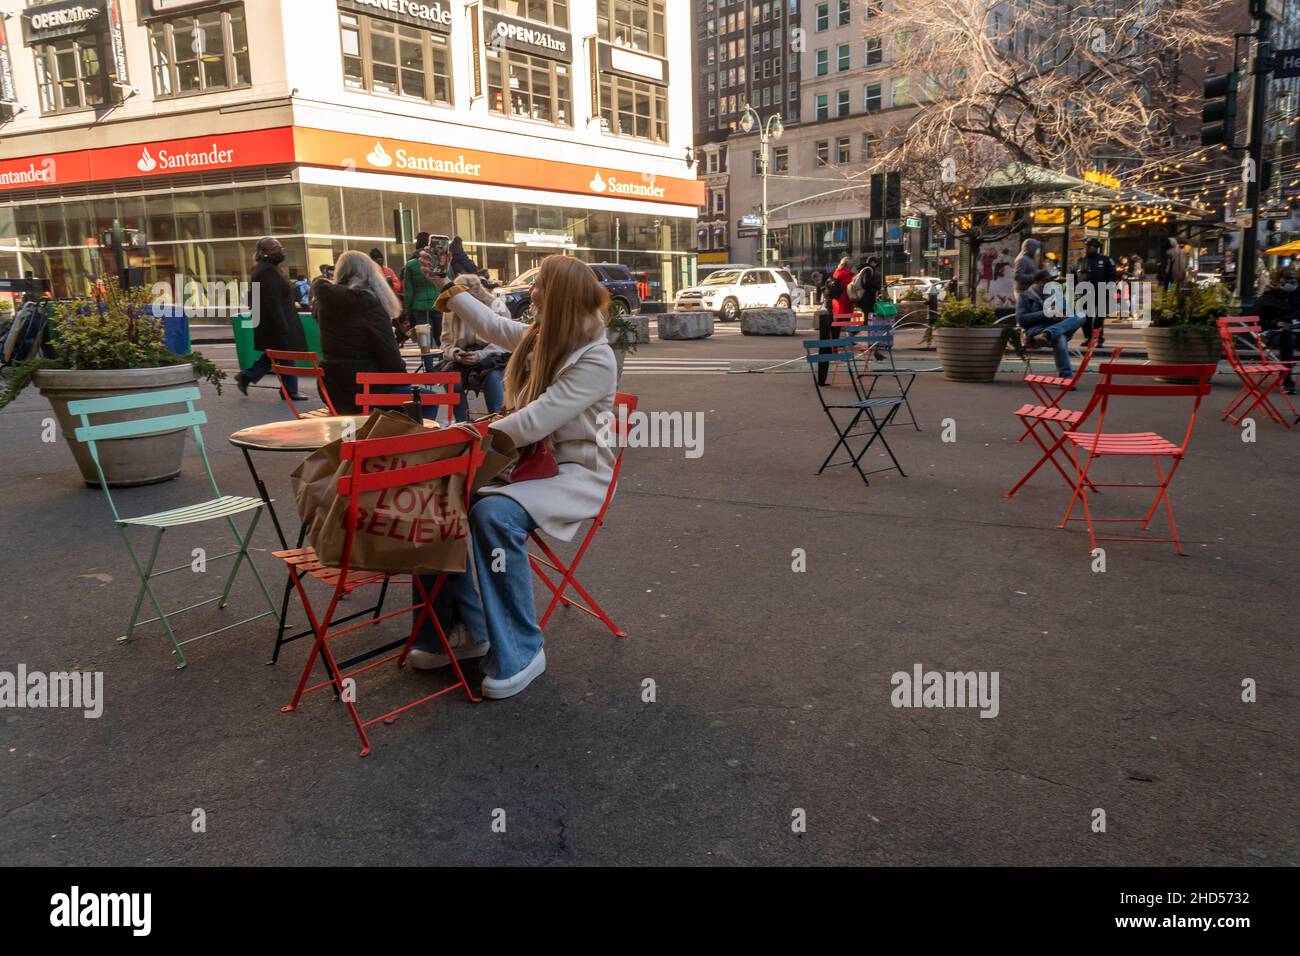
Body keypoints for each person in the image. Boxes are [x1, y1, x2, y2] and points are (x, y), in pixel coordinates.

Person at [406, 254, 618, 700]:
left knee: (491, 514)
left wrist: (466, 435)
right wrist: (449, 285)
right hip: (526, 464)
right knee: (436, 497)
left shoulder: (595, 357)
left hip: (574, 474)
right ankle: (457, 630)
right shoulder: (545, 339)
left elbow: (534, 420)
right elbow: (491, 326)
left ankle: (522, 648)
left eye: (540, 284)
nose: (532, 291)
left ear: (558, 297)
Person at [311, 251, 406, 414]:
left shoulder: (325, 302)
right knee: (426, 399)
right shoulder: (368, 303)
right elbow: (388, 353)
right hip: (366, 388)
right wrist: (403, 374)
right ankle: (400, 438)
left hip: (332, 388)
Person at [235, 237, 308, 401]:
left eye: (279, 247)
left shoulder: (267, 269)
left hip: (274, 321)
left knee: (273, 355)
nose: (280, 251)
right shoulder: (267, 271)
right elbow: (272, 301)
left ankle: (246, 376)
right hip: (278, 322)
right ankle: (290, 390)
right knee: (287, 354)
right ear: (264, 252)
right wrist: (282, 327)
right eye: (274, 248)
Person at [439, 273, 508, 421]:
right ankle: (463, 422)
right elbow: (445, 342)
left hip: (492, 356)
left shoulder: (494, 305)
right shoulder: (450, 310)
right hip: (462, 356)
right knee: (452, 380)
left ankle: (496, 422)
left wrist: (480, 355)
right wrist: (455, 353)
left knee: (492, 378)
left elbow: (504, 341)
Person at [1017, 269, 1084, 378]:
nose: (1050, 283)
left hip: (1055, 327)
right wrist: (1046, 313)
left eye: (1051, 280)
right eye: (1046, 281)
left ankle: (1048, 333)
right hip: (1035, 332)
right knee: (1060, 337)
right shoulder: (1025, 296)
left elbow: (1067, 313)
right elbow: (1022, 320)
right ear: (1037, 283)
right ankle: (1066, 378)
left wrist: (1062, 316)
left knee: (1081, 316)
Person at [1257, 267, 1299, 395]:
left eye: (1293, 278)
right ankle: (1287, 381)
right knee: (1287, 338)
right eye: (1288, 278)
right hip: (1276, 334)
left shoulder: (1297, 296)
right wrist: (1276, 323)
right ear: (1278, 281)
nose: (1291, 281)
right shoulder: (1268, 298)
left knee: (1290, 336)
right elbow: (1260, 321)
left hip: (1296, 331)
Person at [1072, 237, 1118, 345]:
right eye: (1086, 246)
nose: (1087, 249)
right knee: (1085, 318)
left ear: (1096, 248)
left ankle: (1098, 339)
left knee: (1099, 318)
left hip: (1101, 291)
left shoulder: (1106, 260)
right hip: (1084, 293)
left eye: (1090, 247)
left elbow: (1112, 275)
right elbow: (1072, 276)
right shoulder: (1079, 261)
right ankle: (1088, 338)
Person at [402, 232, 442, 344]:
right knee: (442, 338)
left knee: (425, 340)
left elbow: (408, 291)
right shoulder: (439, 262)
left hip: (420, 307)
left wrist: (408, 310)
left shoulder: (410, 265)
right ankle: (443, 360)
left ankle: (428, 362)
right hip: (438, 304)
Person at [814, 271, 840, 387]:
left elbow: (821, 295)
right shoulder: (829, 280)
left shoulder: (828, 281)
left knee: (825, 347)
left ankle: (822, 379)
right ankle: (834, 346)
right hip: (831, 312)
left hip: (830, 311)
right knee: (827, 346)